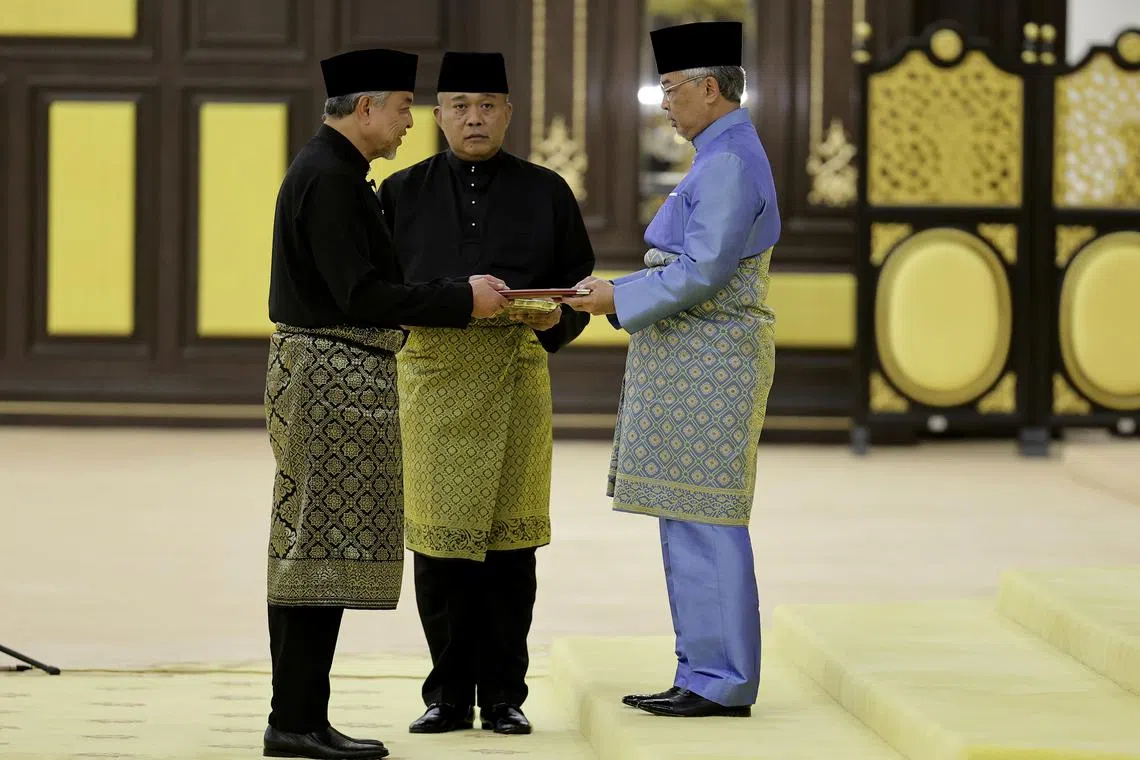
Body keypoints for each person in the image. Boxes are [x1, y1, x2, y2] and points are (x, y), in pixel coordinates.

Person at [262, 47, 508, 760]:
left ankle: (299, 714)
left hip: (334, 370)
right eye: (403, 106)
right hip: (328, 374)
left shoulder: (337, 171)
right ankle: (297, 720)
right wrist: (463, 298)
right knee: (318, 550)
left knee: (314, 547)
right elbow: (360, 296)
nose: (410, 122)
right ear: (366, 107)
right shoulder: (330, 179)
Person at [564, 21, 779, 719]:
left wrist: (616, 296)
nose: (664, 104)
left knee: (707, 518)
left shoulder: (727, 161)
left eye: (671, 90)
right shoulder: (725, 152)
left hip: (710, 358)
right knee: (688, 513)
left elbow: (705, 272)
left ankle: (721, 679)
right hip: (696, 359)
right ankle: (703, 671)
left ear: (708, 89)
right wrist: (620, 289)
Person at [377, 50, 595, 736]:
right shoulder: (400, 193)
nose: (474, 118)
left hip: (515, 380)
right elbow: (381, 294)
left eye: (488, 106)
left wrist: (557, 321)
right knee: (439, 549)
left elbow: (579, 290)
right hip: (434, 383)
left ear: (508, 112)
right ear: (438, 115)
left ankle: (504, 695)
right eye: (460, 106)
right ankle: (446, 694)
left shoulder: (547, 190)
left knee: (509, 549)